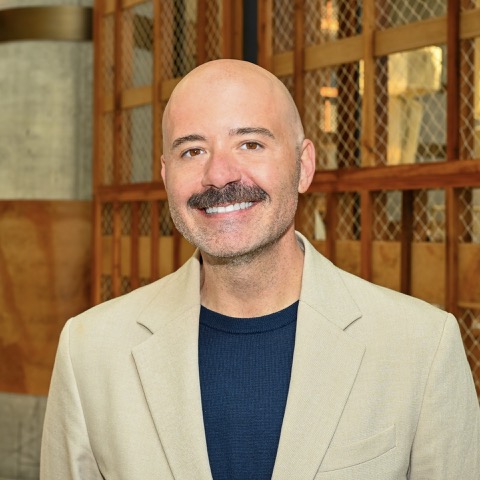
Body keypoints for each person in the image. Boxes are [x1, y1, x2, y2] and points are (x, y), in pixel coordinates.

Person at [40, 59, 480, 479]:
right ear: (165, 174)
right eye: (192, 151)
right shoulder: (90, 352)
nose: (219, 174)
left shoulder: (421, 348)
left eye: (250, 144)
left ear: (303, 166)